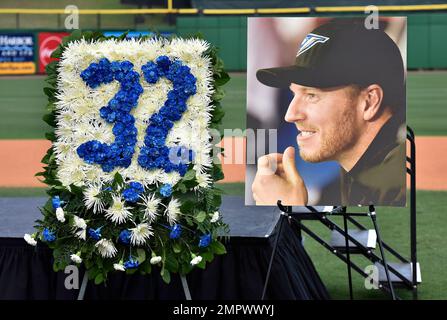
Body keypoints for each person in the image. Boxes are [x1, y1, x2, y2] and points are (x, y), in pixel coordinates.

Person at [251, 19, 406, 206]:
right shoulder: (363, 175)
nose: (290, 115)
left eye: (311, 95)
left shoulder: (394, 189)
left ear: (369, 101)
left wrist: (287, 209)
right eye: (294, 93)